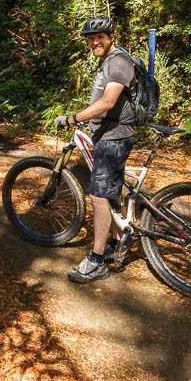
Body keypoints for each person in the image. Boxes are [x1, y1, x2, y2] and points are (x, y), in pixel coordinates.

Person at [54, 16, 136, 284]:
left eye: (100, 36)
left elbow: (108, 102)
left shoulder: (120, 62)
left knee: (99, 196)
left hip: (114, 137)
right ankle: (115, 241)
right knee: (111, 192)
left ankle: (97, 260)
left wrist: (73, 118)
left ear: (112, 36)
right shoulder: (107, 62)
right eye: (90, 39)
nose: (94, 42)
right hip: (107, 136)